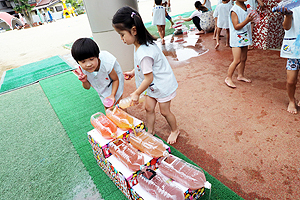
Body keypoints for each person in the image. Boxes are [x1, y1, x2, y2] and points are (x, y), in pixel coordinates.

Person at [112, 6, 180, 144]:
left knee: (164, 111)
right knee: (149, 108)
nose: (121, 38)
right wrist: (133, 71)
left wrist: (136, 93)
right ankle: (150, 131)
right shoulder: (140, 45)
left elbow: (149, 77)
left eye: (122, 34)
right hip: (153, 86)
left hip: (162, 85)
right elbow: (145, 68)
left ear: (134, 30)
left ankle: (175, 130)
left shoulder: (144, 53)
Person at [71, 38, 124, 108]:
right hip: (101, 81)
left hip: (114, 80)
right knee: (108, 106)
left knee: (119, 104)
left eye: (91, 59)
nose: (88, 64)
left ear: (97, 57)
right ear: (78, 62)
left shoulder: (107, 63)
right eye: (83, 61)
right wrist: (84, 81)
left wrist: (112, 95)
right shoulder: (82, 69)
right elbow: (87, 87)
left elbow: (115, 80)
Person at [224, 0, 256, 88]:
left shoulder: (246, 6)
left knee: (243, 58)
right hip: (236, 39)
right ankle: (228, 78)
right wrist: (247, 20)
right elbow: (236, 26)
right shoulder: (234, 10)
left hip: (244, 37)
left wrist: (252, 20)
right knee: (237, 60)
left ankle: (240, 75)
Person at [277, 6, 300, 113]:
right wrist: (288, 15)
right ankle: (291, 100)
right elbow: (286, 27)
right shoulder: (290, 5)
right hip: (294, 50)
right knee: (291, 81)